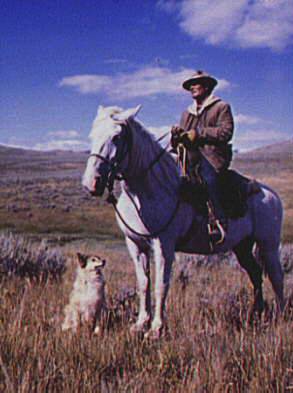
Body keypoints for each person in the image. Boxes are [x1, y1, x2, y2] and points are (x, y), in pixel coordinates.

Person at [171, 70, 234, 246]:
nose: (192, 87)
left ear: (206, 86)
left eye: (195, 83)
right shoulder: (187, 113)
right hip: (189, 158)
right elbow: (181, 142)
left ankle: (218, 221)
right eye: (190, 85)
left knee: (209, 179)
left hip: (212, 156)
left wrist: (199, 133)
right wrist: (176, 137)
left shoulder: (221, 107)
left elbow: (226, 133)